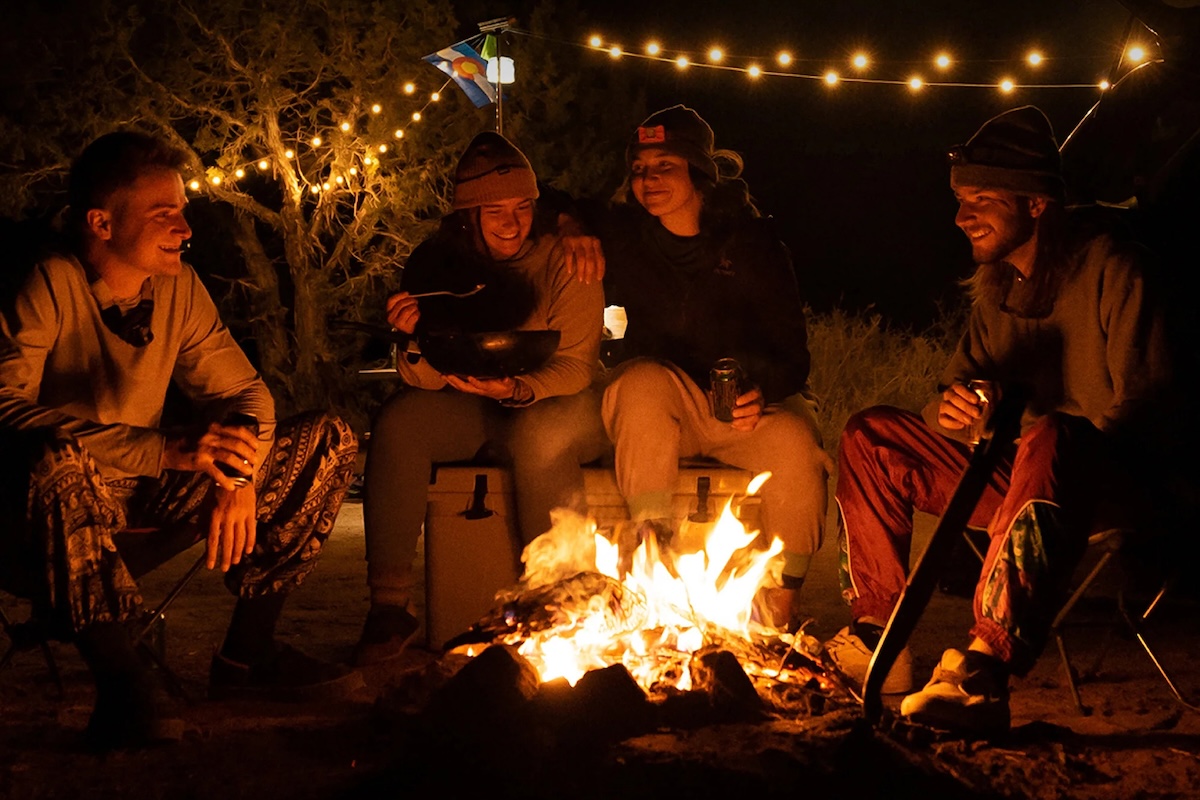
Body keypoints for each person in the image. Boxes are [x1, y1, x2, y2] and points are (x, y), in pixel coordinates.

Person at [0, 131, 361, 749]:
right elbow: (5, 410)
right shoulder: (49, 282)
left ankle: (247, 658)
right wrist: (165, 450)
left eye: (182, 210)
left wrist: (239, 478)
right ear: (102, 222)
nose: (185, 228)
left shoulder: (177, 287)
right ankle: (125, 686)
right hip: (40, 518)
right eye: (163, 214)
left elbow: (248, 397)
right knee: (57, 460)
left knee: (327, 437)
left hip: (139, 500)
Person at [828, 106, 1173, 736]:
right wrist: (953, 410)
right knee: (871, 434)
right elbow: (954, 399)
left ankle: (981, 670)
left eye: (982, 198)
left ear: (1037, 203)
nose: (962, 216)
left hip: (1108, 489)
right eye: (960, 199)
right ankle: (877, 635)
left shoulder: (1114, 268)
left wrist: (1053, 445)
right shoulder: (997, 289)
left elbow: (1149, 408)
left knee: (1050, 434)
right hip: (1020, 478)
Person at [354, 132, 606, 665]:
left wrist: (519, 388)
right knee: (403, 420)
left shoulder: (566, 257)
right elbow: (422, 378)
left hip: (560, 399)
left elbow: (577, 367)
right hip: (476, 399)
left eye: (521, 207)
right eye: (494, 210)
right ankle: (389, 606)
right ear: (469, 214)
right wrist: (415, 340)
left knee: (538, 432)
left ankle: (557, 598)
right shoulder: (440, 265)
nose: (510, 223)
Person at [594, 105, 830, 630]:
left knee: (795, 446)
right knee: (640, 383)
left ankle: (779, 611)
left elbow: (793, 354)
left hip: (740, 407)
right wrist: (568, 227)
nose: (648, 181)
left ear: (698, 171)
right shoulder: (625, 237)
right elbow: (554, 207)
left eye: (664, 166)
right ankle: (652, 571)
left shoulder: (753, 244)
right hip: (664, 403)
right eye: (638, 169)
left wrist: (757, 385)